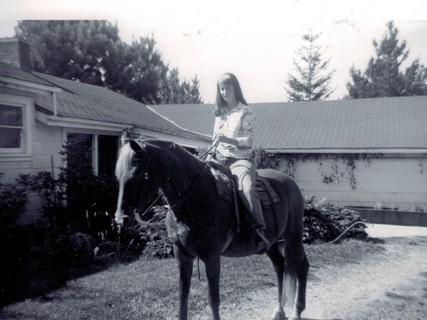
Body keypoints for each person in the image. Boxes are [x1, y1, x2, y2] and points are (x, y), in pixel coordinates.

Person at [207, 72, 269, 253]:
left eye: (228, 87)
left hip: (240, 160)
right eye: (222, 88)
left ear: (235, 88)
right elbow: (214, 140)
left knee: (247, 188)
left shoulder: (245, 112)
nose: (225, 92)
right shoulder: (219, 114)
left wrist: (228, 140)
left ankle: (259, 231)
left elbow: (248, 142)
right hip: (218, 159)